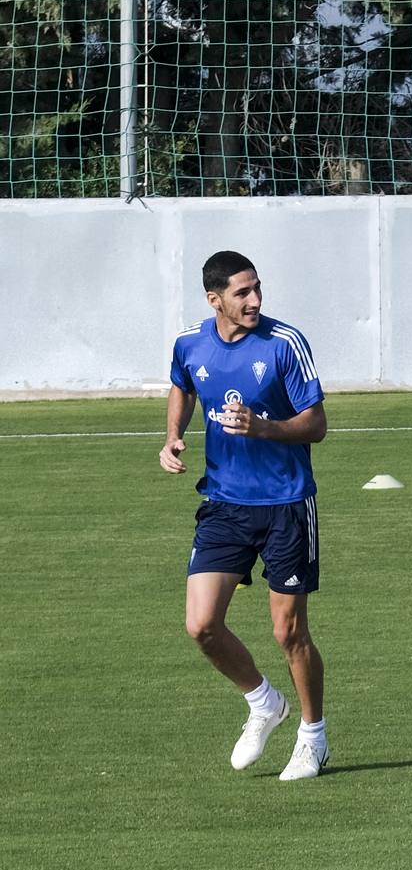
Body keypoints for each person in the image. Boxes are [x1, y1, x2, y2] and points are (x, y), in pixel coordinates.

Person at [159, 250, 330, 780]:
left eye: (257, 288)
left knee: (288, 633)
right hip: (224, 504)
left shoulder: (285, 344)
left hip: (286, 504)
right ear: (215, 299)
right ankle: (262, 702)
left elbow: (317, 424)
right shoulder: (190, 342)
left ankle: (313, 737)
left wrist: (266, 428)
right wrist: (172, 436)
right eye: (241, 292)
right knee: (201, 624)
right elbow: (182, 385)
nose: (254, 299)